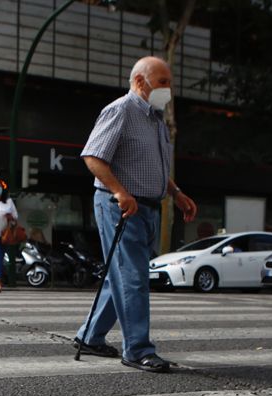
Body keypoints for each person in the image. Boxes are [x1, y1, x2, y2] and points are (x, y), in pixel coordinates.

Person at [74, 56, 197, 373]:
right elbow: (93, 156)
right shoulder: (121, 110)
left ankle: (90, 336)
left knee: (124, 275)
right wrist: (120, 191)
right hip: (121, 207)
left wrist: (176, 193)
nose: (168, 90)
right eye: (163, 82)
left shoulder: (155, 119)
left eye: (169, 83)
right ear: (140, 82)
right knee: (133, 277)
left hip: (148, 207)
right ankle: (138, 349)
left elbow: (154, 167)